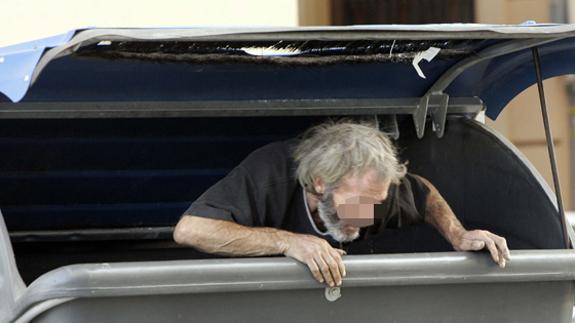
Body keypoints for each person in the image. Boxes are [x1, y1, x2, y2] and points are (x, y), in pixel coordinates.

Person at [173, 120, 510, 287]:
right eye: (357, 202)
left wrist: (458, 234)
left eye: (376, 202)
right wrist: (288, 242)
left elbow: (422, 194)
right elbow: (191, 230)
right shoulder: (271, 172)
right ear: (320, 181)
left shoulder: (373, 194)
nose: (366, 216)